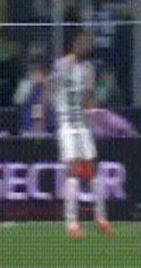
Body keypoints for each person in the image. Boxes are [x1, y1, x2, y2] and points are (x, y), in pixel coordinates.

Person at [51, 29, 114, 239]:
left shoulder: (87, 68)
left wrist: (95, 114)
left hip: (82, 124)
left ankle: (101, 219)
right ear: (76, 44)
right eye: (84, 43)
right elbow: (50, 89)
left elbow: (88, 96)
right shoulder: (62, 65)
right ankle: (72, 224)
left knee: (93, 168)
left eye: (89, 44)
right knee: (74, 170)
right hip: (67, 124)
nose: (87, 47)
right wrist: (47, 115)